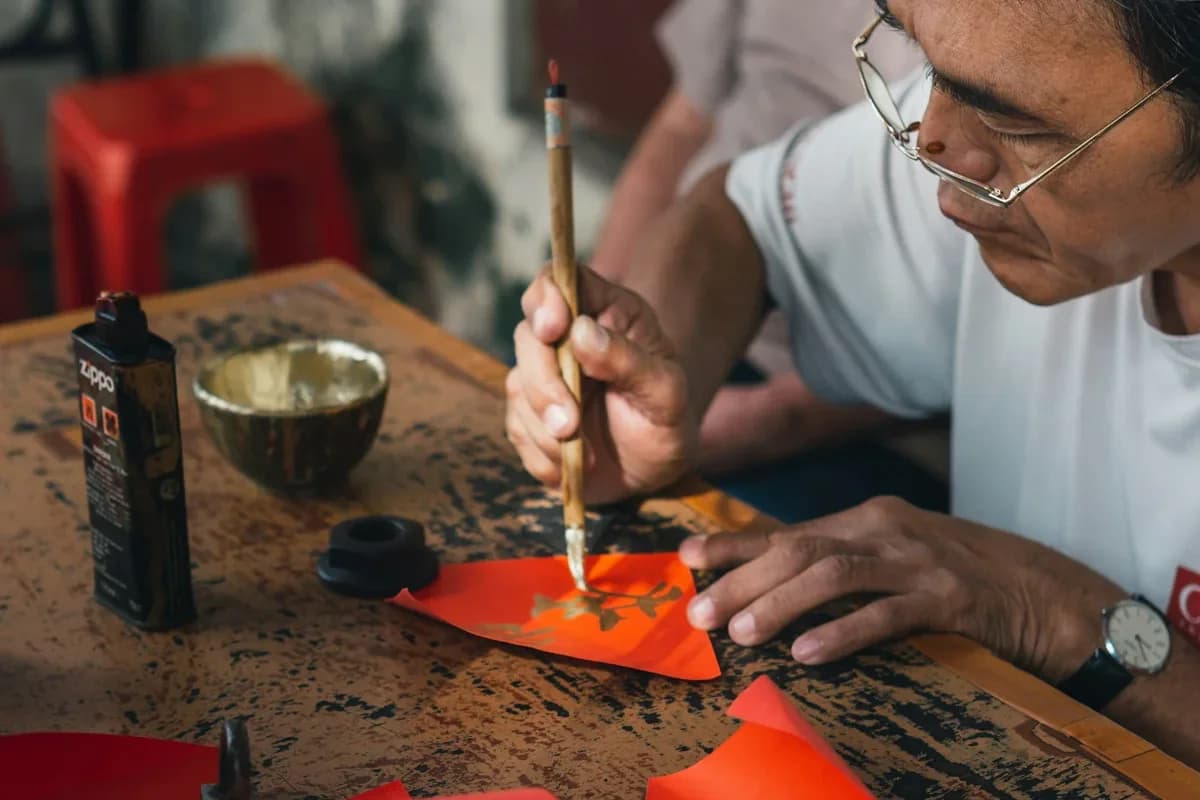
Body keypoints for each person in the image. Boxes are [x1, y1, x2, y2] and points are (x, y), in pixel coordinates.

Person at [506, 0, 1200, 767]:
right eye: (926, 64)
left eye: (1018, 125)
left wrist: (1053, 615)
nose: (931, 145)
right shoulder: (991, 117)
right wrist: (652, 373)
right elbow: (739, 220)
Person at [591, 1, 934, 510]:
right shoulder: (754, 194)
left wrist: (762, 420)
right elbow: (690, 138)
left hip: (847, 413)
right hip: (676, 345)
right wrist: (599, 315)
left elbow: (962, 329)